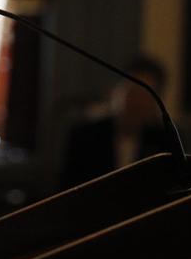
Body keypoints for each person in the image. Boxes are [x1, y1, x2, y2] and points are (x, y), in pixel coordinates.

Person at [60, 55, 171, 190]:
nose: (137, 103)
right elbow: (69, 190)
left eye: (145, 96)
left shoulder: (166, 140)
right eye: (132, 92)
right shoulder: (84, 136)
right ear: (115, 92)